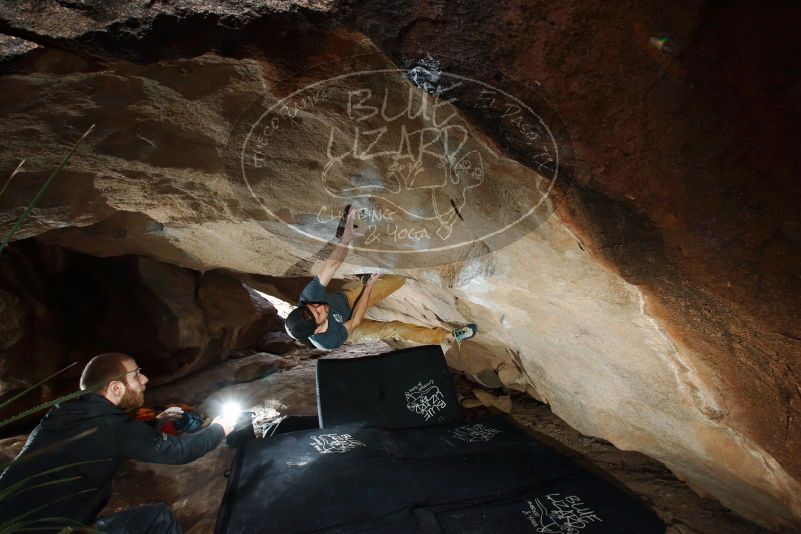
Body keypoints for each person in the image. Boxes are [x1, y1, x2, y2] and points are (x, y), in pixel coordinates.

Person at [0, 353, 237, 533]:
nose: (144, 379)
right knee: (159, 518)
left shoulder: (61, 414)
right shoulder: (114, 428)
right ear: (115, 387)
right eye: (136, 375)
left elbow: (110, 438)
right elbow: (182, 452)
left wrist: (156, 422)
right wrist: (221, 427)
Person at [284, 209, 477, 350]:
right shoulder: (328, 341)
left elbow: (331, 266)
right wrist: (368, 288)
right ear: (317, 330)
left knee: (398, 280)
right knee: (393, 328)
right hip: (352, 327)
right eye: (318, 314)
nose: (319, 307)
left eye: (313, 307)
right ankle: (448, 336)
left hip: (346, 298)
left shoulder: (309, 297)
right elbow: (356, 320)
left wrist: (345, 239)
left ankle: (361, 280)